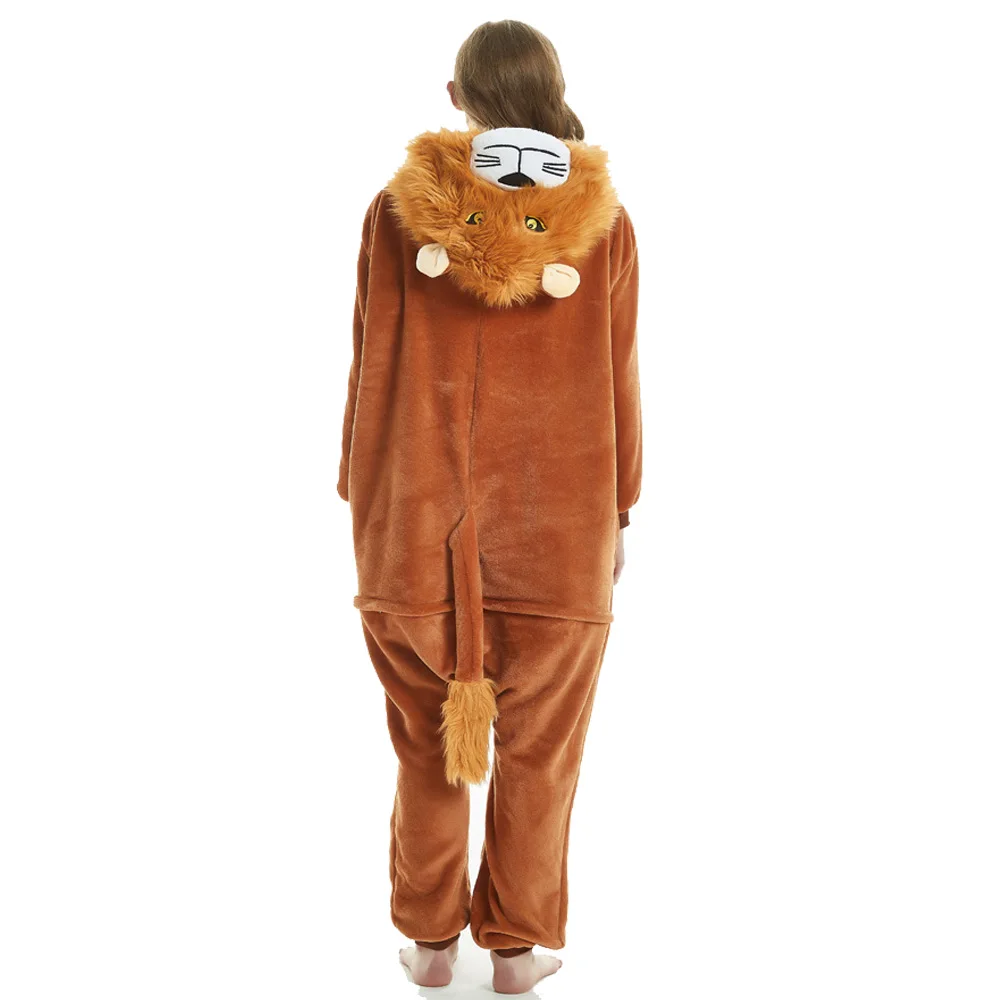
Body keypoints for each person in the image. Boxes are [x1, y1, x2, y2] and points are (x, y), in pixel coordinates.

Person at [337, 19, 642, 994]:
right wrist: (619, 509)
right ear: (551, 92)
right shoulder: (604, 223)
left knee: (426, 748)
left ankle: (430, 945)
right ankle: (514, 951)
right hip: (561, 534)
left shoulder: (396, 213)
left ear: (457, 97)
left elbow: (368, 365)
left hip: (413, 532)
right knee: (541, 755)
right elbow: (619, 379)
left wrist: (361, 496)